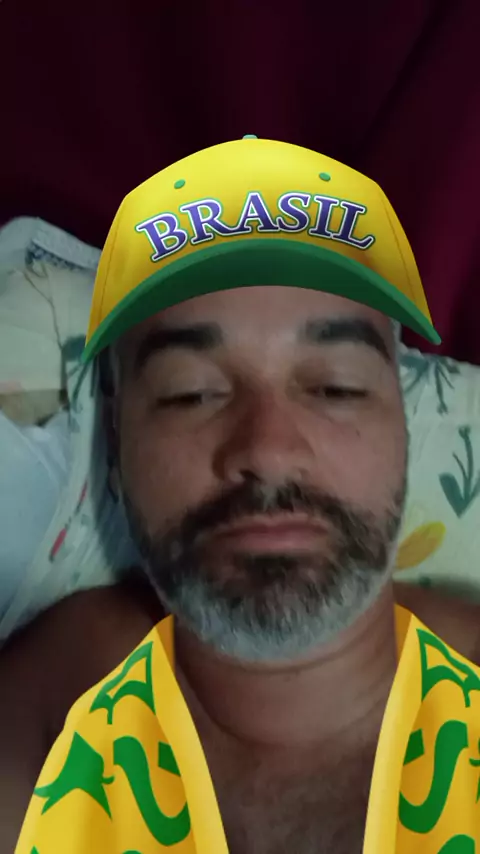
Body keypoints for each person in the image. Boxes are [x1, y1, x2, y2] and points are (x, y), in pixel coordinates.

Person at [2, 137, 480, 854]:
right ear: (117, 439)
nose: (268, 449)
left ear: (405, 429)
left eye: (336, 388)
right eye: (191, 393)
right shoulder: (52, 717)